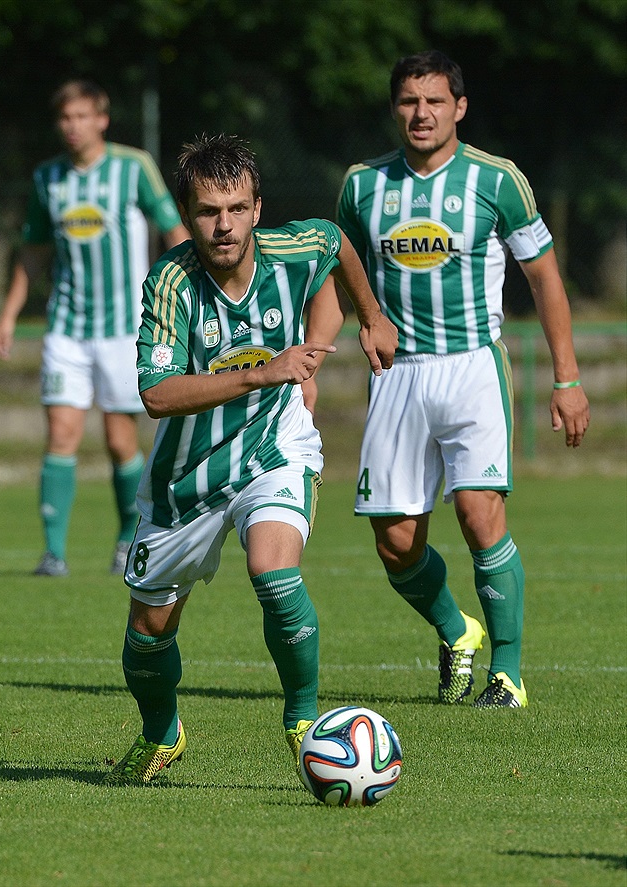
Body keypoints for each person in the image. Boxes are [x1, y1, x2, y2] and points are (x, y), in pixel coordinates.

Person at [103, 133, 398, 786]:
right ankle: (162, 733)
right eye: (209, 210)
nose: (224, 223)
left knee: (273, 570)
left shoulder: (292, 248)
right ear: (187, 214)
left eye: (236, 207)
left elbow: (335, 247)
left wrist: (361, 322)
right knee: (147, 632)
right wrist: (265, 372)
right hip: (187, 479)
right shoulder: (172, 283)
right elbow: (155, 394)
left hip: (273, 449)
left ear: (258, 207)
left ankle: (304, 720)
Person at [308, 50, 590, 709]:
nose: (421, 113)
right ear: (394, 109)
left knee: (478, 511)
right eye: (409, 101)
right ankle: (455, 626)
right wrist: (311, 359)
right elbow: (338, 277)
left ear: (459, 107)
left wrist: (567, 377)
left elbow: (545, 277)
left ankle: (508, 674)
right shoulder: (361, 186)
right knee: (396, 542)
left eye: (435, 100)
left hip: (472, 368)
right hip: (397, 377)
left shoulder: (498, 180)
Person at [0, 80, 188, 577]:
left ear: (102, 119)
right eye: (64, 117)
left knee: (121, 440)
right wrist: (10, 314)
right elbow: (33, 252)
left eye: (82, 116)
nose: (72, 126)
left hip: (126, 328)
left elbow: (172, 227)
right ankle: (53, 553)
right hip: (66, 329)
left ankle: (126, 539)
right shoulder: (48, 178)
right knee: (61, 434)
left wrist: (191, 289)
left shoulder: (133, 167)